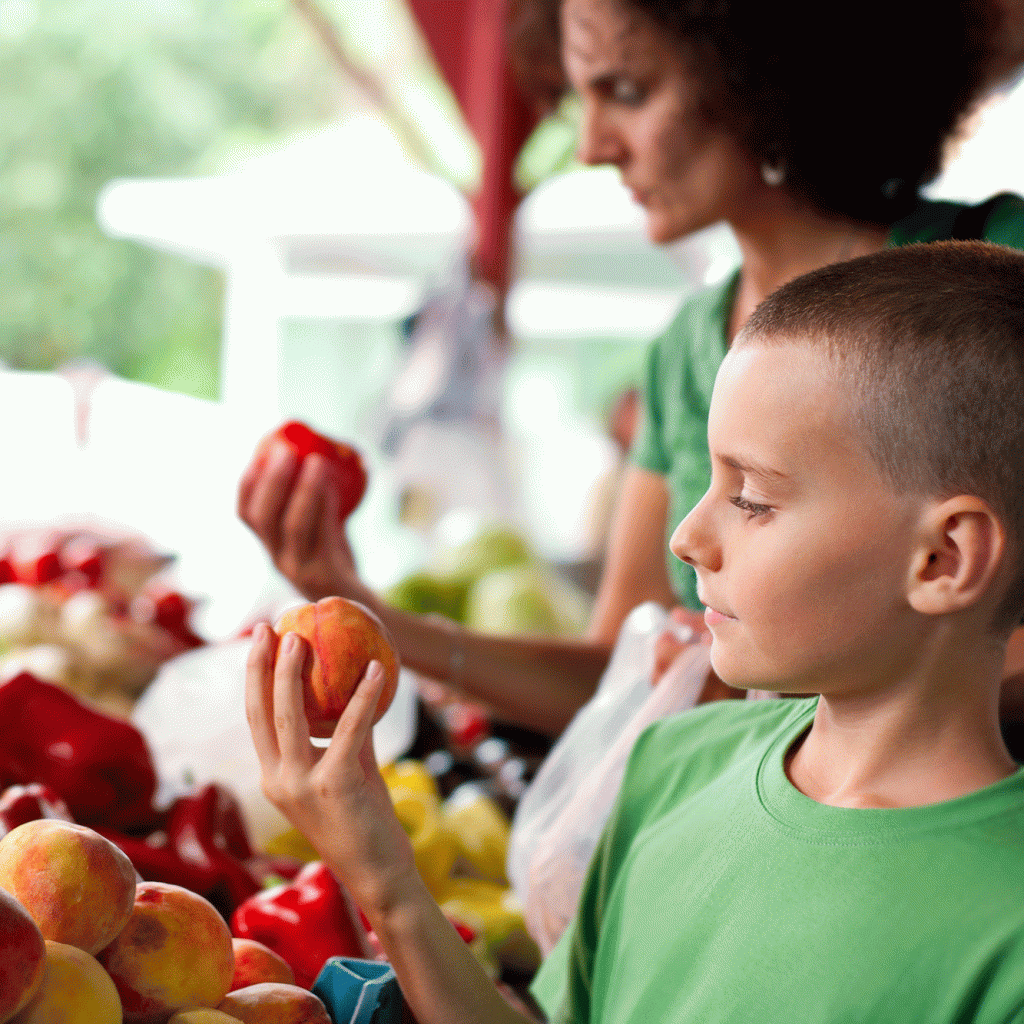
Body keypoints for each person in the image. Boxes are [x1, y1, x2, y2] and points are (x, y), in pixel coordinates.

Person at [245, 241, 1024, 1023]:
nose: (686, 536)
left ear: (943, 557)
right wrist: (387, 881)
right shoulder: (674, 762)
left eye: (750, 497)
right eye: (709, 480)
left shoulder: (1006, 940)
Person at [238, 0, 1024, 737]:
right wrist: (372, 617)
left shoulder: (996, 271)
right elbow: (616, 680)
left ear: (768, 68)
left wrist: (784, 699)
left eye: (627, 91)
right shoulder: (688, 349)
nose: (591, 146)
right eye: (582, 100)